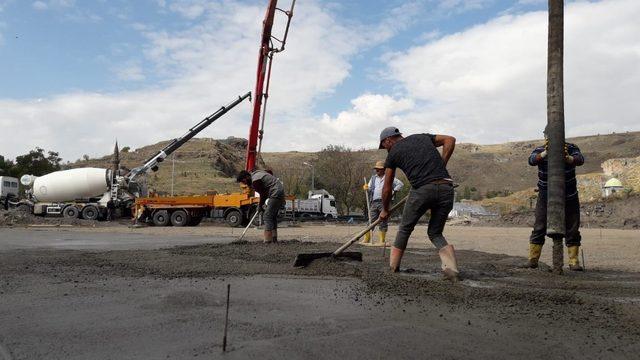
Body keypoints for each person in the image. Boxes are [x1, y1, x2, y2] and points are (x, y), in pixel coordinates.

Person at [377, 126, 460, 281]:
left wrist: (385, 210)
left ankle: (393, 268)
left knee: (404, 229)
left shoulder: (393, 153)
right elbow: (450, 139)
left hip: (422, 190)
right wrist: (442, 165)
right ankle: (452, 270)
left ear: (388, 140)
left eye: (384, 146)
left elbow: (387, 187)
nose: (385, 149)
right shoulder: (422, 137)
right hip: (446, 188)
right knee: (435, 232)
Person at [526, 128, 585, 271]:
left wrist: (567, 158)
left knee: (572, 227)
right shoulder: (540, 150)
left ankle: (573, 261)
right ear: (545, 137)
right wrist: (546, 153)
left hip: (569, 194)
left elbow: (580, 159)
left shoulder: (571, 148)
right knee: (539, 226)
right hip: (545, 194)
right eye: (548, 136)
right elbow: (531, 160)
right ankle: (533, 259)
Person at [236, 169, 285, 243]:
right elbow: (268, 172)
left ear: (246, 177)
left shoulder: (255, 181)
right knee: (272, 216)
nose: (245, 184)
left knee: (267, 216)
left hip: (275, 192)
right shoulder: (257, 174)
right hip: (279, 191)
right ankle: (274, 238)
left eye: (243, 181)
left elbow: (263, 194)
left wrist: (260, 206)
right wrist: (261, 205)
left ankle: (268, 240)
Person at [361, 160, 404, 246]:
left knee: (383, 221)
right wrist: (366, 188)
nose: (377, 170)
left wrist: (393, 191)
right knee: (371, 220)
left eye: (379, 169)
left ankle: (381, 240)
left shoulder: (389, 177)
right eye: (376, 169)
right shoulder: (373, 178)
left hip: (385, 202)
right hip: (374, 202)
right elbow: (369, 188)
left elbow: (400, 184)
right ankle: (366, 239)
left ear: (384, 170)